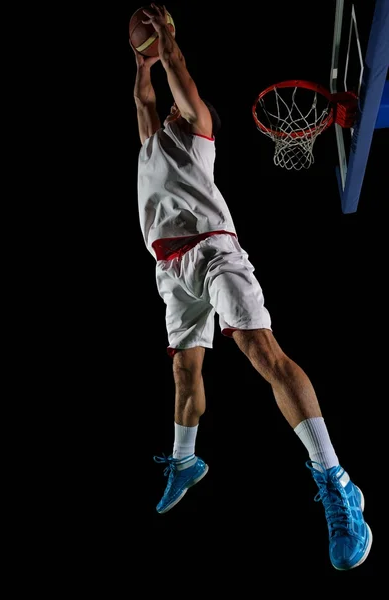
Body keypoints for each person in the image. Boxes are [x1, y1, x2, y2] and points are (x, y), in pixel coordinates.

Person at [131, 3, 372, 570]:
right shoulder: (151, 145)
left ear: (196, 117)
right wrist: (139, 63)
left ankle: (336, 480)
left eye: (178, 104)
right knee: (183, 371)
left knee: (259, 350)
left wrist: (163, 41)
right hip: (170, 269)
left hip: (213, 252)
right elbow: (144, 98)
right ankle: (186, 461)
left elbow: (178, 75)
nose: (169, 106)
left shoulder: (197, 135)